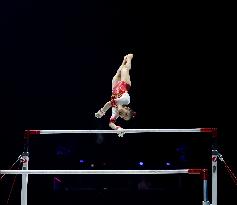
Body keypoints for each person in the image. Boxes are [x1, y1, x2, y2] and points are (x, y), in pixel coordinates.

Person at [95, 53, 136, 137]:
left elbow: (111, 123)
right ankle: (129, 58)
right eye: (126, 114)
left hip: (115, 87)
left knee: (119, 70)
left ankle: (124, 59)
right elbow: (109, 103)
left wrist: (117, 128)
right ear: (127, 108)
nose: (123, 116)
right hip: (124, 84)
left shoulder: (116, 112)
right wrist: (101, 112)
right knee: (125, 69)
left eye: (124, 118)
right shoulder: (126, 100)